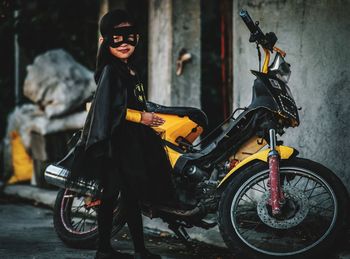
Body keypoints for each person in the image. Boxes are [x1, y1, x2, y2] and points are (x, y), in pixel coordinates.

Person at [67, 9, 178, 259]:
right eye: (117, 38)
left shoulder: (131, 69)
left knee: (130, 197)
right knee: (111, 196)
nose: (125, 44)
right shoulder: (111, 71)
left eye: (129, 36)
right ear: (106, 41)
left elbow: (133, 101)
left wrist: (147, 118)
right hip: (115, 143)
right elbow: (108, 108)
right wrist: (142, 117)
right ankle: (104, 250)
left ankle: (137, 250)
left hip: (131, 142)